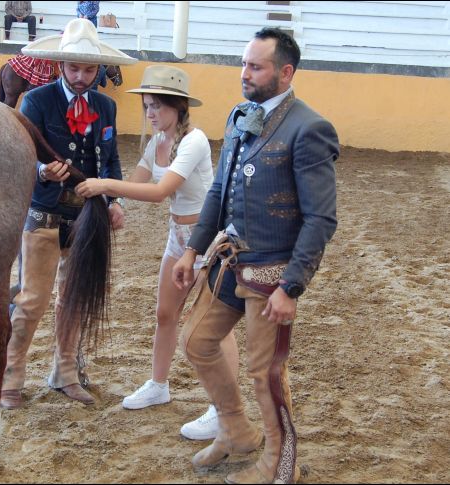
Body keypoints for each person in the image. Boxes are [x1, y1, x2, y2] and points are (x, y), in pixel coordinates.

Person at [172, 27, 339, 483]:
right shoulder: (238, 115)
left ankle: (281, 465)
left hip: (273, 271)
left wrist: (292, 286)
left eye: (256, 66)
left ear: (285, 72)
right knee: (196, 342)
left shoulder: (310, 128)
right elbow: (219, 191)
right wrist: (192, 250)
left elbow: (321, 219)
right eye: (244, 63)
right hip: (229, 260)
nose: (244, 73)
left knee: (265, 372)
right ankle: (236, 432)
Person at [74, 65, 238, 440]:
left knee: (212, 322)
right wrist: (115, 202)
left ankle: (222, 407)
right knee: (166, 313)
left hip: (206, 238)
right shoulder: (156, 142)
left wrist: (104, 185)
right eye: (147, 106)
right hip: (177, 235)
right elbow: (139, 181)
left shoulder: (193, 141)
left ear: (178, 107)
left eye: (158, 107)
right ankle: (159, 385)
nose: (150, 113)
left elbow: (162, 190)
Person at [0, 18, 137, 410]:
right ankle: (10, 380)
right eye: (74, 68)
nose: (81, 77)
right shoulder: (37, 101)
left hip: (86, 219)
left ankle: (65, 373)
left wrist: (115, 201)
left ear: (98, 70)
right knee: (32, 300)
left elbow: (109, 160)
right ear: (61, 66)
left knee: (75, 298)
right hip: (44, 212)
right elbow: (20, 157)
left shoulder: (106, 106)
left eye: (89, 69)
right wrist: (41, 172)